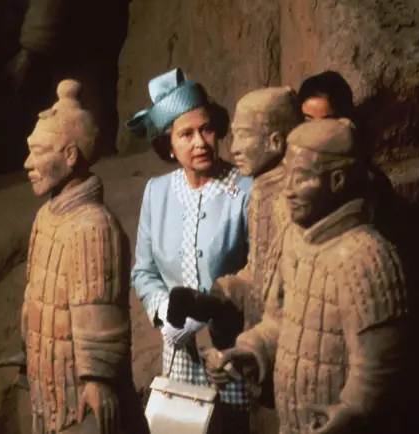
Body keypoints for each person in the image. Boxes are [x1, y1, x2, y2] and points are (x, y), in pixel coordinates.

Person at [214, 119, 414, 434]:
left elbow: (381, 366)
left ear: (337, 180)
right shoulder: (293, 239)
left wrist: (352, 411)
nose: (288, 190)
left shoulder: (367, 255)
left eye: (302, 177)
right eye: (286, 175)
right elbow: (283, 322)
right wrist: (253, 348)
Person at [166, 86, 301, 434]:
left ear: (274, 141)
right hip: (261, 358)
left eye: (243, 136)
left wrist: (248, 346)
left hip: (293, 363)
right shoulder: (263, 192)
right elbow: (258, 275)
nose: (233, 147)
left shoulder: (296, 200)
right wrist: (213, 298)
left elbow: (295, 298)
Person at [16, 79, 148, 434]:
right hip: (50, 380)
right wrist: (29, 344)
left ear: (70, 156)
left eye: (40, 152)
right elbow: (37, 291)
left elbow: (98, 309)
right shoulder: (48, 215)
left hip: (82, 398)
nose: (28, 163)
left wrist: (98, 379)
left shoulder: (93, 226)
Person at [126, 68, 253, 433]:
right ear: (168, 144)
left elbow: (259, 272)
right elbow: (144, 271)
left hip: (231, 354)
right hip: (180, 354)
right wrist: (166, 314)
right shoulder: (157, 192)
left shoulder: (245, 190)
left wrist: (208, 310)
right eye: (186, 134)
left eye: (207, 129)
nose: (200, 142)